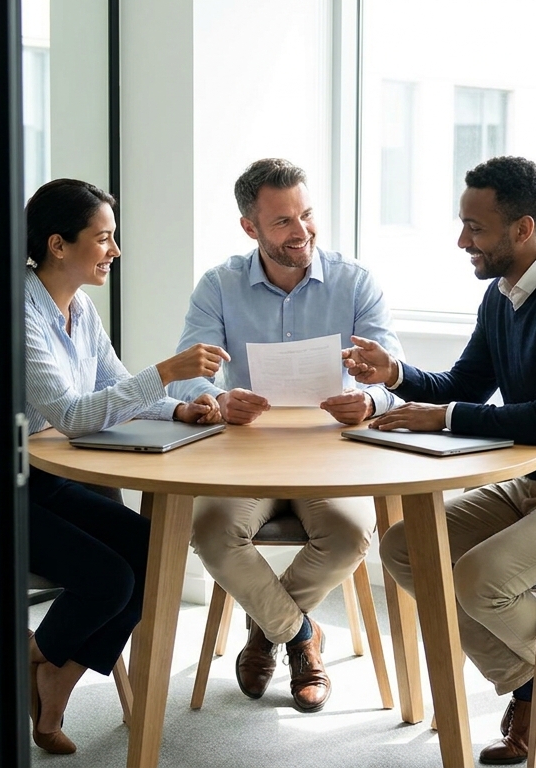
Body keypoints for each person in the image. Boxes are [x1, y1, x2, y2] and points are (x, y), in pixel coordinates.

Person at [343, 156, 536, 764]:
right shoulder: (503, 296)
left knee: (479, 580)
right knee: (408, 550)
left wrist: (449, 417)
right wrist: (398, 374)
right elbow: (466, 381)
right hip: (531, 483)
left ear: (522, 228)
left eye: (475, 228)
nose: (463, 241)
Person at [0, 179, 228, 754]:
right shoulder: (19, 314)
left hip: (44, 471)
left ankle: (51, 672)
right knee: (111, 577)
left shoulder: (79, 307)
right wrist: (167, 372)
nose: (114, 251)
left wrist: (177, 407)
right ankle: (32, 662)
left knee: (154, 552)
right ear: (58, 245)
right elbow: (73, 415)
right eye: (103, 238)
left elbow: (113, 388)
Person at [167, 158, 403, 712]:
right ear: (250, 227)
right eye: (282, 222)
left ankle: (265, 631)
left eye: (307, 215)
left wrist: (369, 397)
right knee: (211, 532)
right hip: (245, 456)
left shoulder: (354, 281)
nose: (301, 232)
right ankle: (301, 638)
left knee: (348, 536)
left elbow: (397, 376)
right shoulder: (219, 285)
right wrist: (217, 399)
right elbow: (190, 379)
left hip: (331, 455)